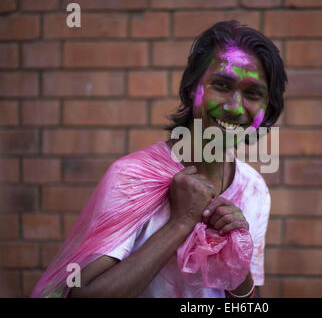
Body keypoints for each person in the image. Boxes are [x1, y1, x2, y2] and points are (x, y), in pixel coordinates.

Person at [36, 20, 287, 298]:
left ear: (267, 107)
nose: (234, 107)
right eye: (221, 85)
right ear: (193, 89)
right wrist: (182, 222)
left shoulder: (254, 190)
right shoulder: (131, 177)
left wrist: (234, 251)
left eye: (253, 93)